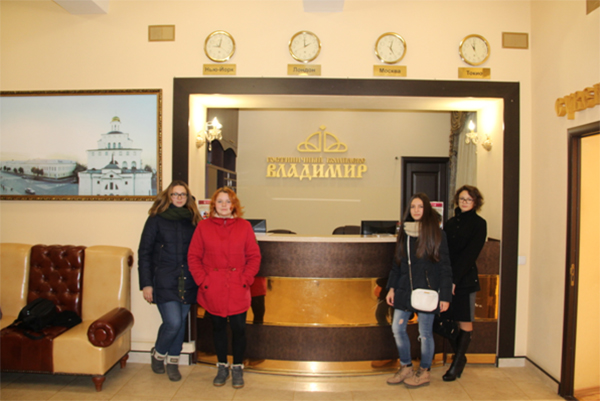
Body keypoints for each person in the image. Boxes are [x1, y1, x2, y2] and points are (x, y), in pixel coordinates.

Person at [188, 187, 261, 389]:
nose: (224, 205)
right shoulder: (203, 227)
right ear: (214, 205)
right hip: (213, 287)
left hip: (238, 286)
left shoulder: (245, 227)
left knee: (239, 329)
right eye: (220, 201)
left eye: (228, 201)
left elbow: (254, 257)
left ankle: (237, 367)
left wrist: (245, 279)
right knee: (218, 328)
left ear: (234, 205)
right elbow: (193, 257)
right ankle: (222, 366)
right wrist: (203, 281)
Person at [385, 193, 452, 387]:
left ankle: (424, 371)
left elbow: (445, 267)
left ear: (427, 209)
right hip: (404, 289)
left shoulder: (437, 234)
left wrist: (445, 295)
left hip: (427, 292)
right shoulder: (405, 233)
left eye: (420, 206)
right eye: (413, 207)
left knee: (425, 333)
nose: (416, 210)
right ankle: (406, 366)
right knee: (397, 328)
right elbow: (397, 263)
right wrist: (391, 288)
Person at [138, 181, 201, 382]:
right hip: (164, 279)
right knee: (173, 322)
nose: (179, 198)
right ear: (168, 196)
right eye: (175, 194)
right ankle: (158, 354)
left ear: (188, 197)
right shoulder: (156, 219)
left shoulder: (194, 220)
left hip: (188, 279)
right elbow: (144, 253)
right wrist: (146, 284)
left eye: (183, 194)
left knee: (180, 322)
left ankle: (173, 361)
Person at [442, 185, 487, 381]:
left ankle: (456, 363)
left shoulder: (479, 224)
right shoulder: (451, 223)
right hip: (448, 277)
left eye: (469, 199)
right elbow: (444, 251)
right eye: (462, 199)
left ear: (475, 202)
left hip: (465, 279)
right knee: (447, 319)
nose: (464, 202)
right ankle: (461, 358)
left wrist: (454, 279)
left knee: (464, 320)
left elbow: (470, 255)